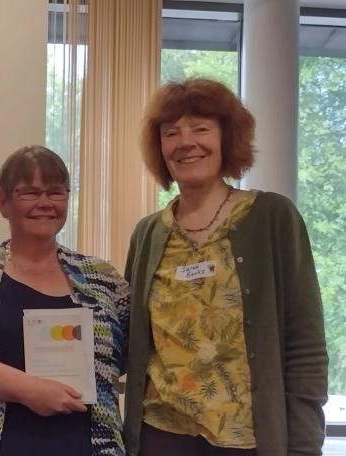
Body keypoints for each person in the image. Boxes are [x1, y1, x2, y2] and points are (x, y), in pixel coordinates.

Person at [123, 78, 328, 456]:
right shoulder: (148, 234)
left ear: (227, 138)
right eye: (172, 133)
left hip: (248, 440)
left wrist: (303, 445)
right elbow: (129, 335)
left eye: (201, 128)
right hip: (161, 435)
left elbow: (305, 343)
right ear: (160, 148)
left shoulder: (272, 217)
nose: (186, 142)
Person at [0, 145, 130, 455]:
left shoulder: (103, 277)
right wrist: (30, 390)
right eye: (30, 193)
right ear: (2, 202)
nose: (45, 203)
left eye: (56, 192)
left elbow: (133, 347)